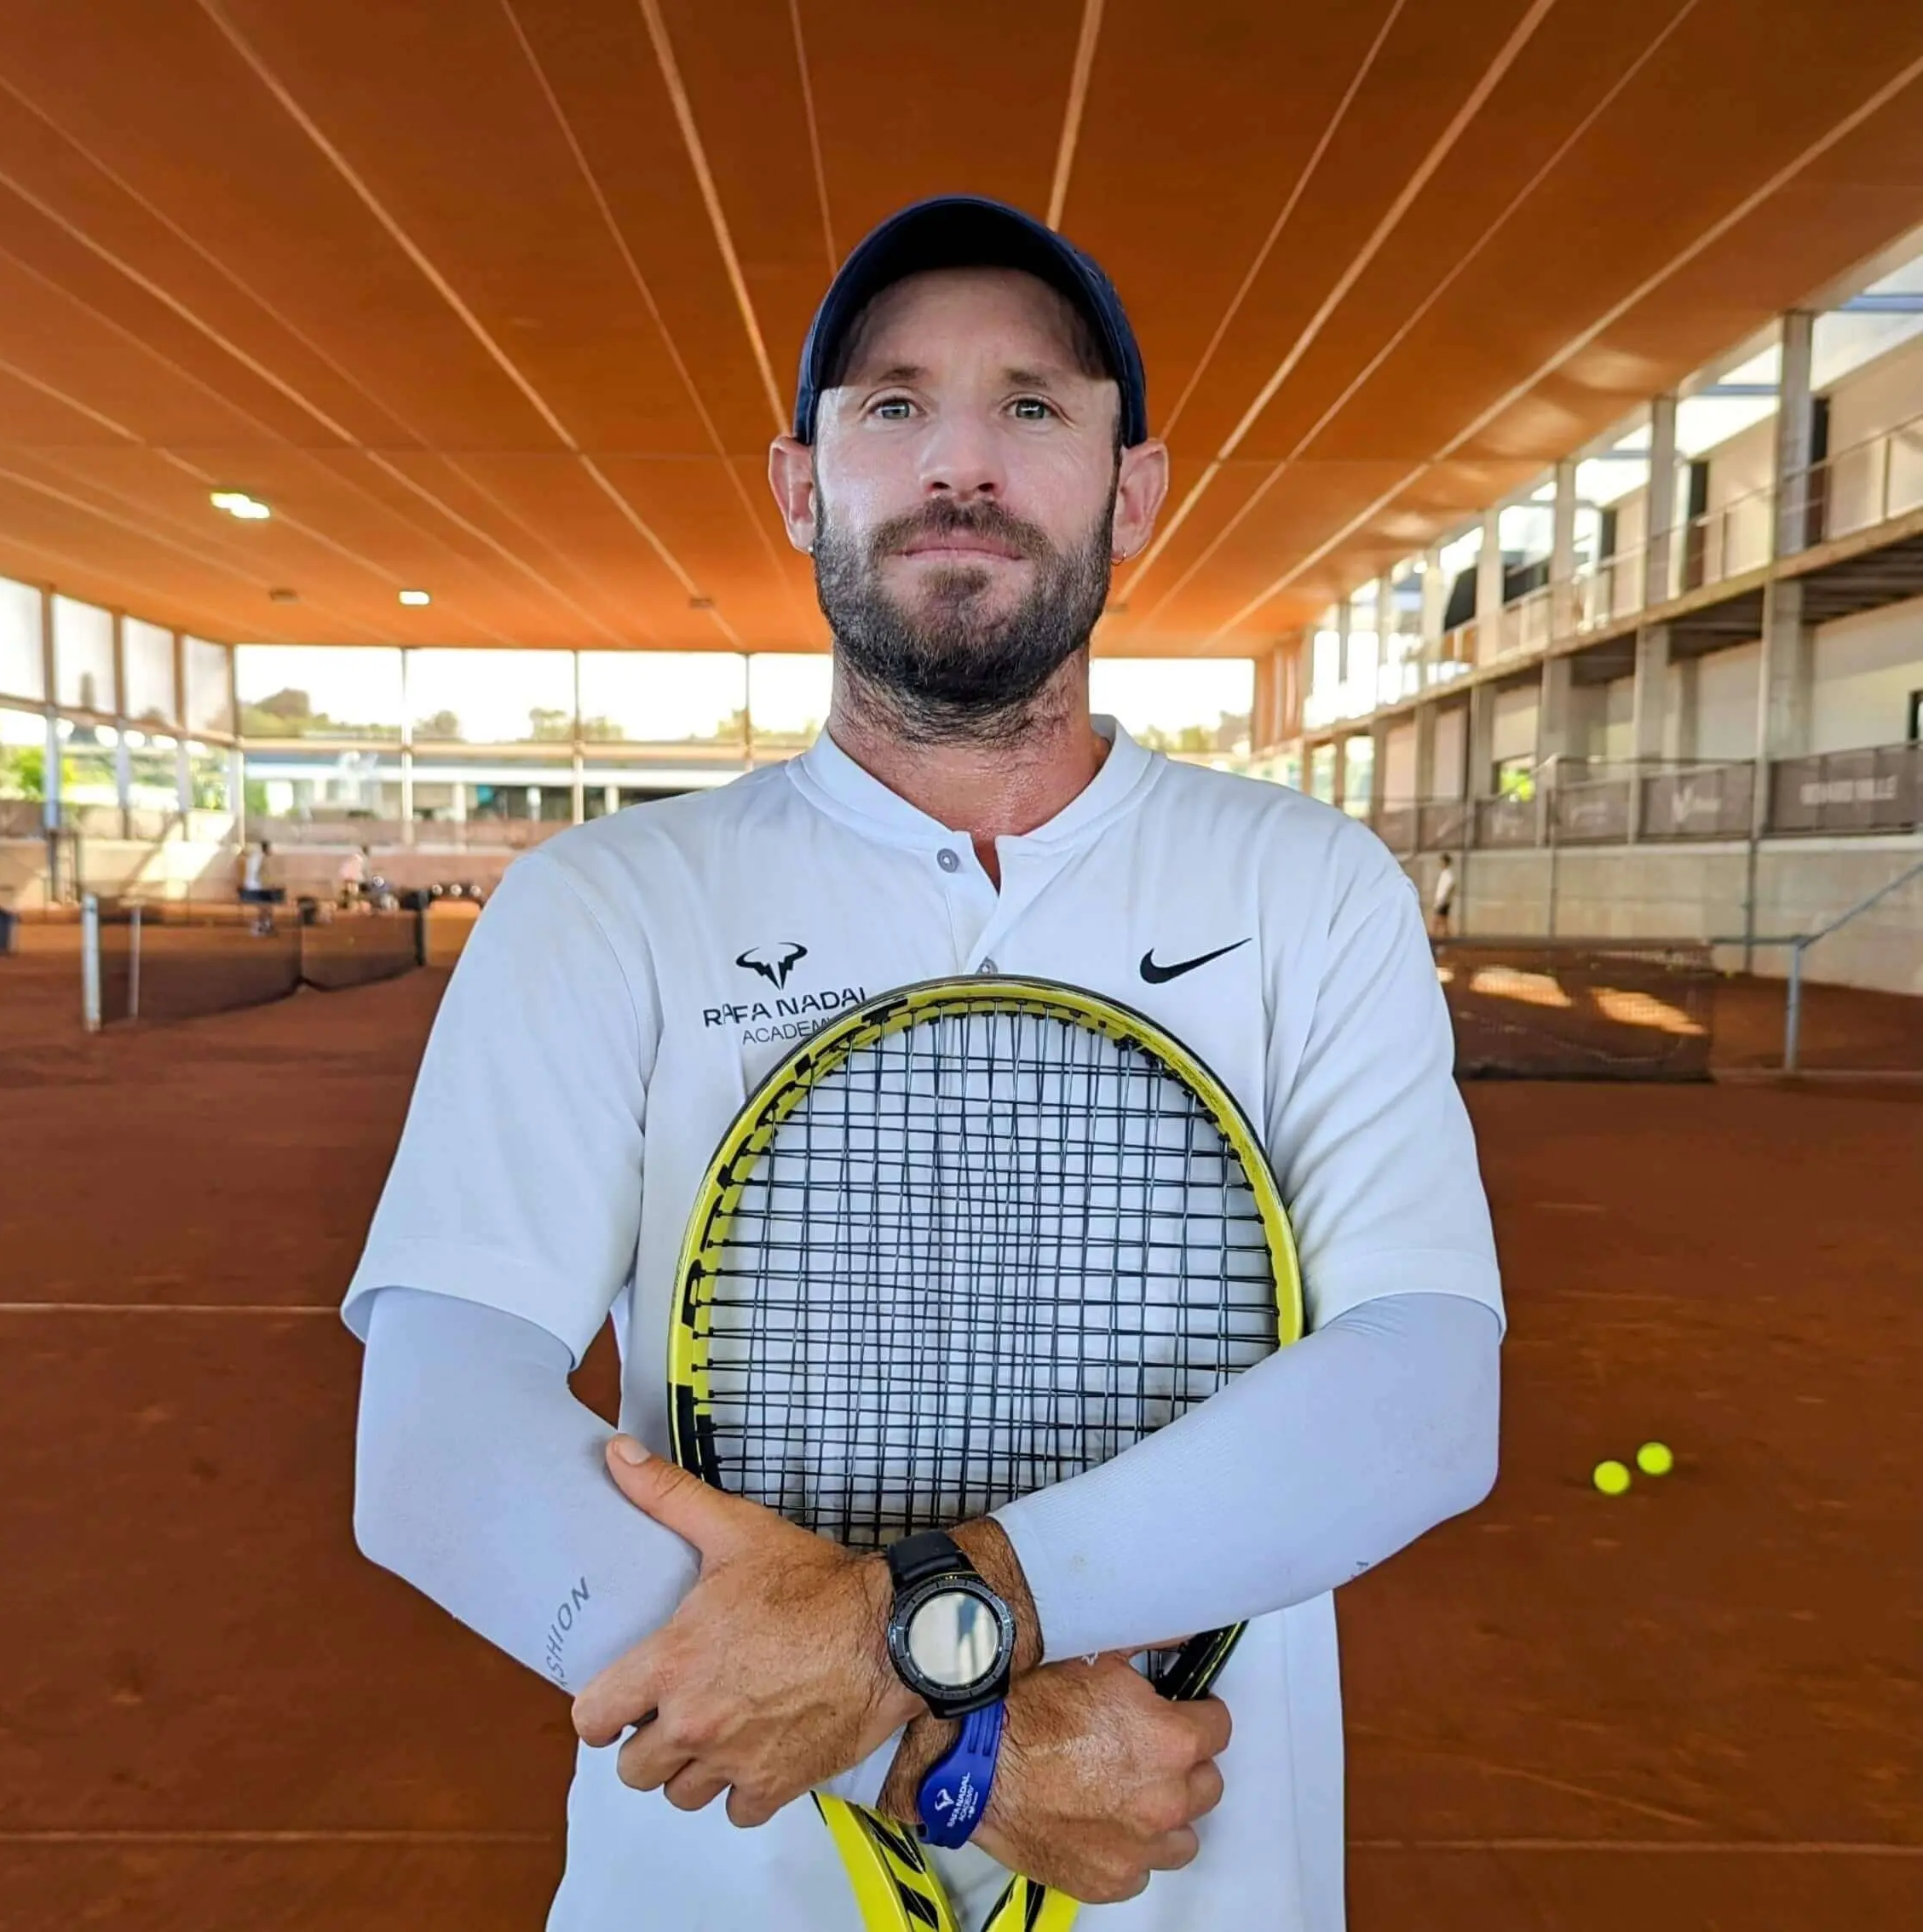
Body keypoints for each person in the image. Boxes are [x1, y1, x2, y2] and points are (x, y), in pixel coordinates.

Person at [345, 197, 1502, 1930]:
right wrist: (942, 1750)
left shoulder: (1307, 886)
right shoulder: (605, 901)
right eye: (893, 405)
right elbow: (437, 1442)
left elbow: (1420, 1393)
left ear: (1132, 491)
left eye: (1032, 404)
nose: (962, 461)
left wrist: (927, 1630)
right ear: (801, 484)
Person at [239, 837, 276, 936]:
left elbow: (245, 855)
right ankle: (261, 927)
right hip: (256, 886)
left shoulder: (254, 856)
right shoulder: (262, 858)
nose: (271, 851)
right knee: (266, 907)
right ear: (266, 849)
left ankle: (264, 926)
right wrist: (269, 885)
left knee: (265, 907)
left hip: (250, 886)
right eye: (270, 848)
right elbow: (260, 874)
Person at [1431, 852, 1457, 939]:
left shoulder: (1448, 875)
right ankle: (1450, 938)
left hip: (1443, 902)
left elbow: (1451, 886)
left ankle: (1432, 940)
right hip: (1441, 902)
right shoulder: (1444, 874)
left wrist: (1443, 900)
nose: (1440, 863)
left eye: (1441, 861)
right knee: (1444, 923)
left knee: (1436, 921)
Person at [337, 843, 368, 911]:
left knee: (352, 893)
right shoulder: (360, 859)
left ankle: (351, 905)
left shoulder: (356, 858)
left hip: (350, 878)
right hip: (352, 878)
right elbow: (361, 871)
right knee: (353, 893)